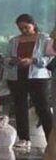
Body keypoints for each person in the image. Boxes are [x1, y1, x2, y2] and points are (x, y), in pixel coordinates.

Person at [7, 13, 54, 152]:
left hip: (38, 76)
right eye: (21, 28)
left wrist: (33, 60)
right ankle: (24, 138)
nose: (24, 31)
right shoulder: (14, 40)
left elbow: (50, 57)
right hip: (18, 76)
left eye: (26, 27)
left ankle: (51, 139)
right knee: (20, 107)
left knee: (43, 108)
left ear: (33, 25)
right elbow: (7, 57)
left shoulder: (44, 38)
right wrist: (14, 61)